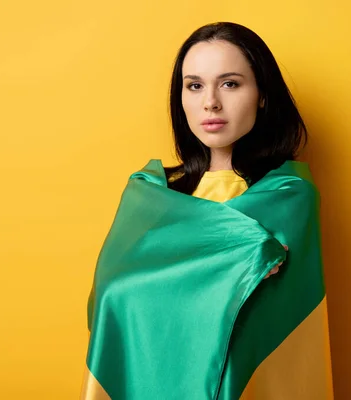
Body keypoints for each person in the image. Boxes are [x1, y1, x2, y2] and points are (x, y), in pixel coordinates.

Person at [81, 22, 333, 399]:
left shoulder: (288, 194)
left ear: (263, 94)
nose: (210, 102)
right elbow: (112, 295)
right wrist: (234, 256)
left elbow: (265, 317)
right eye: (194, 85)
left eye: (230, 83)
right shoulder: (149, 193)